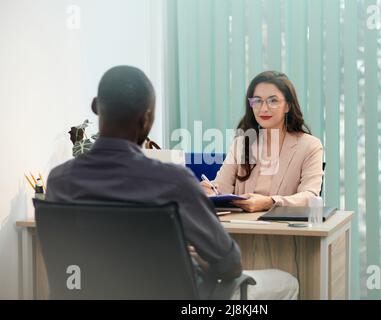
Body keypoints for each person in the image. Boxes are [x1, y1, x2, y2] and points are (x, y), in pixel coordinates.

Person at [46, 66, 298, 300]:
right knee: (287, 282)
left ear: (96, 107)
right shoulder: (173, 181)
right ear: (147, 119)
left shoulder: (59, 181)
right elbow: (230, 265)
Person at [201, 71, 324, 213]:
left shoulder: (309, 146)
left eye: (273, 101)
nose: (264, 108)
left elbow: (310, 197)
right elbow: (221, 188)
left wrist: (269, 202)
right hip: (243, 227)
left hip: (285, 229)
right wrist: (209, 191)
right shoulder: (241, 144)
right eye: (257, 101)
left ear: (288, 106)